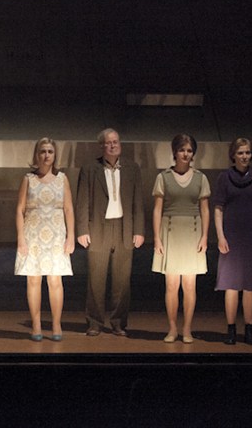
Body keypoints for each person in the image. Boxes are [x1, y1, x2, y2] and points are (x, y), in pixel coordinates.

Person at [75, 128, 145, 337]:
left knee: (122, 281)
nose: (113, 145)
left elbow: (138, 202)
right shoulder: (90, 169)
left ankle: (118, 322)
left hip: (124, 227)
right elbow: (82, 201)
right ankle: (94, 322)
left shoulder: (132, 168)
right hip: (98, 227)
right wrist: (82, 230)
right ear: (102, 146)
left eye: (116, 141)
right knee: (96, 279)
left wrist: (139, 230)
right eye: (109, 142)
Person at [152, 133, 210, 344]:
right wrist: (157, 238)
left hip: (192, 233)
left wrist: (205, 236)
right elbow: (157, 209)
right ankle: (172, 328)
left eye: (189, 150)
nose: (185, 154)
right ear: (174, 152)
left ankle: (187, 329)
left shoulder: (201, 178)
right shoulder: (163, 177)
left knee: (190, 285)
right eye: (182, 150)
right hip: (170, 232)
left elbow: (205, 209)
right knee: (171, 285)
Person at [15, 137, 74, 341]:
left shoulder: (62, 179)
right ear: (37, 154)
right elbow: (20, 209)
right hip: (33, 234)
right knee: (33, 279)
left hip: (56, 235)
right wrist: (21, 238)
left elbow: (68, 209)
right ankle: (36, 324)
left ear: (55, 155)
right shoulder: (28, 179)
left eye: (50, 151)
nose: (46, 155)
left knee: (55, 279)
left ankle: (56, 324)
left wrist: (71, 237)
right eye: (43, 151)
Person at [213, 137, 252, 346]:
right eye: (240, 153)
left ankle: (249, 330)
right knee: (230, 284)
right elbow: (218, 209)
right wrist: (220, 236)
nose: (244, 156)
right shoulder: (224, 178)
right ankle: (231, 330)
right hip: (231, 236)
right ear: (233, 155)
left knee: (250, 285)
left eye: (247, 152)